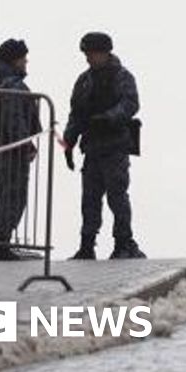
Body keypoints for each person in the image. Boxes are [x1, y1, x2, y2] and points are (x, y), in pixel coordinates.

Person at [63, 32, 146, 259]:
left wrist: (108, 118)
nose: (88, 58)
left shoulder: (122, 76)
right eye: (86, 54)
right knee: (89, 200)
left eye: (91, 53)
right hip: (92, 148)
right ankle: (87, 245)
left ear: (104, 53)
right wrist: (69, 142)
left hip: (115, 146)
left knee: (117, 197)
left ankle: (123, 243)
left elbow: (131, 103)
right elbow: (76, 114)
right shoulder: (84, 81)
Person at [0, 39, 42, 261]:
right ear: (14, 60)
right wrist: (26, 145)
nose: (26, 62)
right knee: (15, 198)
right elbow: (15, 119)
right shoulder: (14, 86)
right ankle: (0, 246)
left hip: (4, 148)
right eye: (22, 58)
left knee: (5, 196)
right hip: (14, 150)